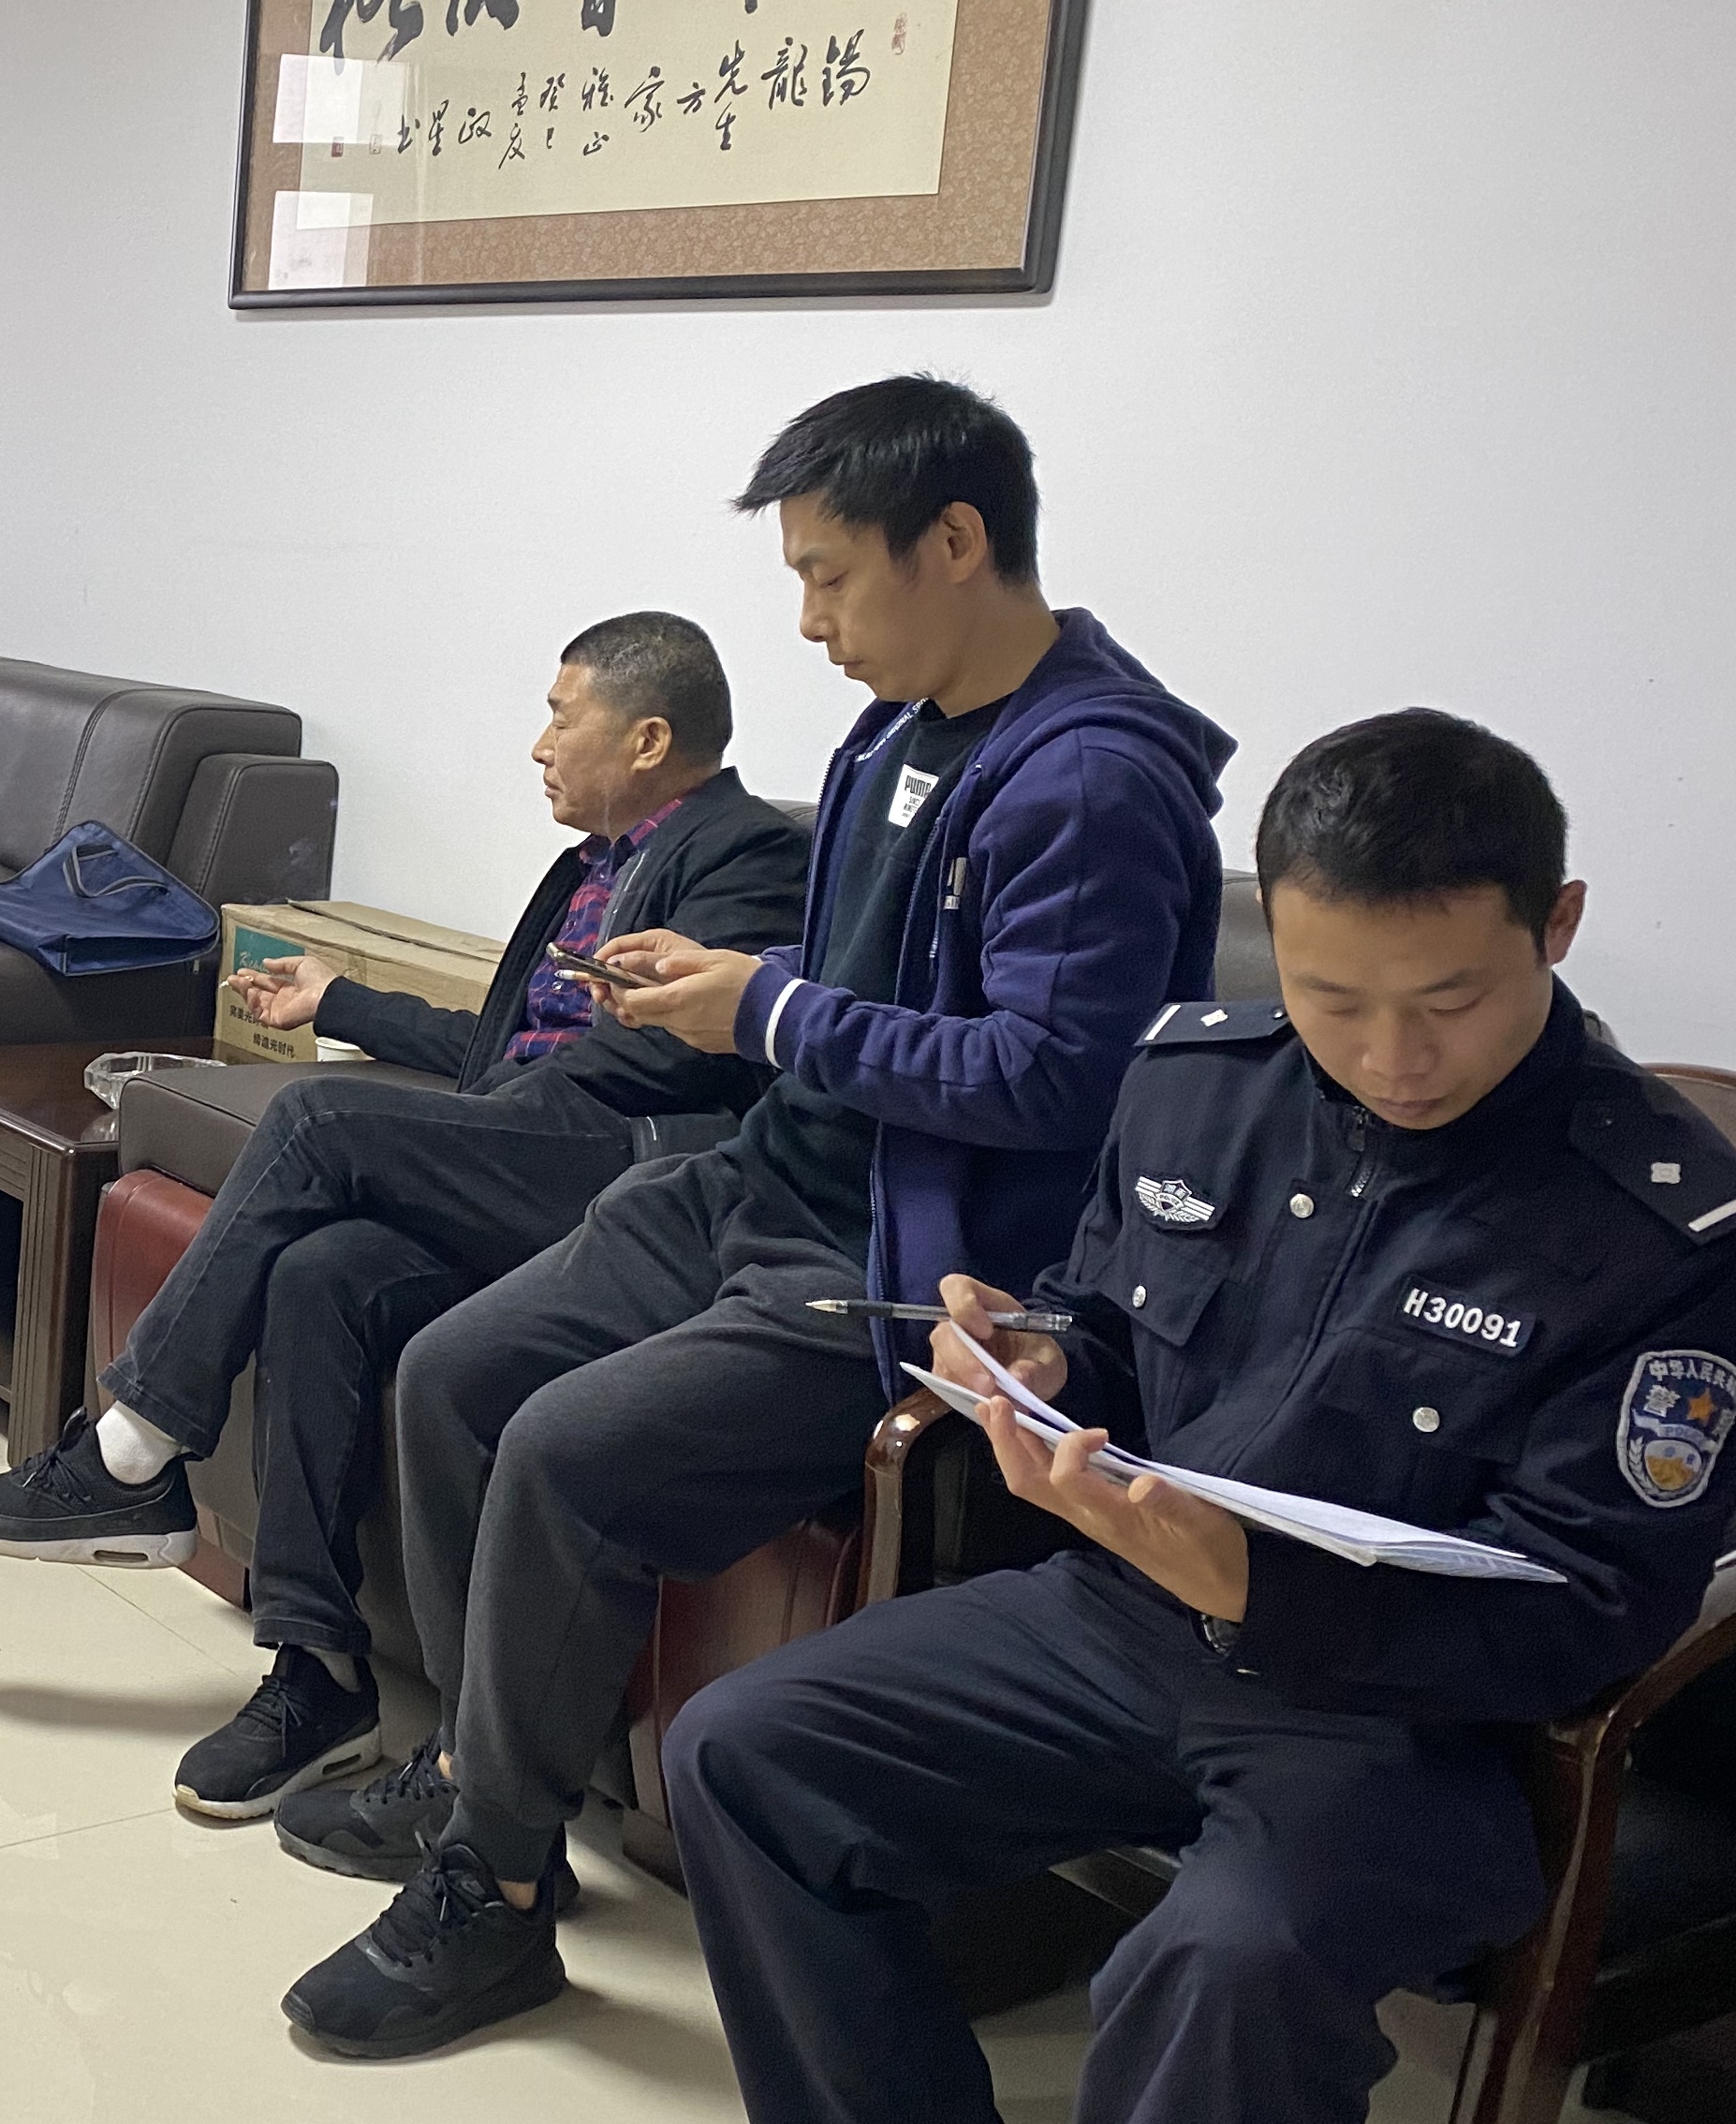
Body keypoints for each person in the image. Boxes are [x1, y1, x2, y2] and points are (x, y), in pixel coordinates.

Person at [275, 376, 1237, 2058]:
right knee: (450, 1371)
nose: (808, 623)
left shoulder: (1094, 779)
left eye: (828, 576)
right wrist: (740, 979)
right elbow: (877, 983)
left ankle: (493, 1892)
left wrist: (772, 1012)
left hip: (912, 1265)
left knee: (563, 1449)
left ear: (956, 540)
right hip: (764, 1177)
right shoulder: (894, 733)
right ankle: (481, 1770)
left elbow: (1052, 1078)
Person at [665, 711, 1736, 2124]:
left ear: (1554, 926)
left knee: (1227, 1962)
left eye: (1449, 1001)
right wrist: (1042, 1359)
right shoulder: (1199, 1083)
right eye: (1331, 998)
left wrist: (1263, 1590)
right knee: (743, 1751)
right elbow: (1108, 1328)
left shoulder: (1660, 1227)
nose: (1393, 1056)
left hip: (1407, 1721)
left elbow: (1598, 1605)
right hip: (1123, 1620)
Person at [0, 612, 812, 1820]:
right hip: (535, 1147)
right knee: (323, 1274)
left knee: (317, 1121)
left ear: (649, 738)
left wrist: (487, 1109)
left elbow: (686, 1060)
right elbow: (498, 1049)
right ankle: (318, 1671)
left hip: (629, 1174)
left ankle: (132, 1450)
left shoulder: (750, 852)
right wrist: (342, 1000)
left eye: (562, 717)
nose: (539, 745)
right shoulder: (587, 868)